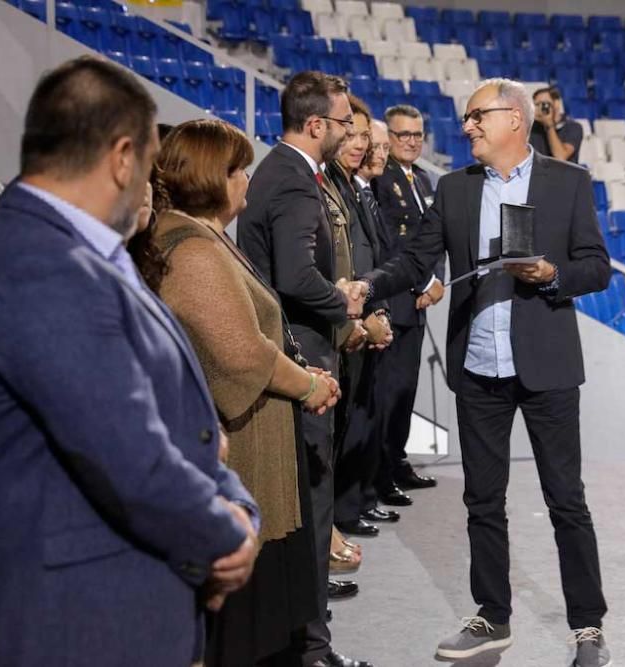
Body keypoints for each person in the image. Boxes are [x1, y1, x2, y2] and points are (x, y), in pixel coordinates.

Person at [0, 56, 260, 667]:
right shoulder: (44, 264)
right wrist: (228, 529)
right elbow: (128, 454)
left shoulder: (73, 250)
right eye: (150, 163)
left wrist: (232, 498)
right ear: (123, 156)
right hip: (63, 624)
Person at [358, 78, 613, 667]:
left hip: (547, 367)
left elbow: (595, 266)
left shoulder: (569, 182)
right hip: (479, 369)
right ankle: (491, 617)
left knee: (565, 500)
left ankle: (588, 625)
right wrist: (369, 286)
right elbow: (417, 260)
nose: (467, 126)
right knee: (482, 501)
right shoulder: (453, 189)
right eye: (467, 118)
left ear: (515, 120)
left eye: (477, 116)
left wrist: (551, 274)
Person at [129, 118, 341, 666]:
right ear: (211, 177)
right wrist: (310, 384)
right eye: (239, 170)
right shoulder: (194, 251)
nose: (247, 180)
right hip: (242, 448)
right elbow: (242, 352)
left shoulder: (200, 237)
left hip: (251, 438)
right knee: (245, 629)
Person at [237, 70, 371, 667]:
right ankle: (313, 649)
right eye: (343, 123)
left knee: (299, 507)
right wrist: (341, 299)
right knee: (311, 511)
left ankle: (299, 642)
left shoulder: (281, 171)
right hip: (303, 361)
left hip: (293, 352)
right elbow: (295, 278)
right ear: (315, 125)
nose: (349, 133)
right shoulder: (293, 181)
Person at [327, 97, 397, 540]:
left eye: (364, 136)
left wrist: (380, 310)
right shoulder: (331, 187)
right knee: (342, 429)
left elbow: (374, 255)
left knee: (362, 421)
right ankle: (339, 518)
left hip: (367, 315)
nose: (360, 143)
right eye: (351, 133)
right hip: (341, 323)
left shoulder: (353, 187)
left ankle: (349, 510)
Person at [370, 104, 442, 506]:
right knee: (388, 391)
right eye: (403, 135)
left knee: (405, 392)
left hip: (419, 301)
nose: (412, 142)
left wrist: (438, 280)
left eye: (417, 135)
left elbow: (435, 235)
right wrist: (425, 280)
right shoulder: (382, 179)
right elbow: (391, 244)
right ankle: (379, 473)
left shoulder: (426, 180)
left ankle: (396, 461)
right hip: (393, 298)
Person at [529, 86, 583, 164]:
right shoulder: (533, 128)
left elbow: (560, 157)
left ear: (556, 104)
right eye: (537, 105)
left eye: (544, 104)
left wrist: (549, 126)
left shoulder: (573, 127)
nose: (540, 109)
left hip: (564, 174)